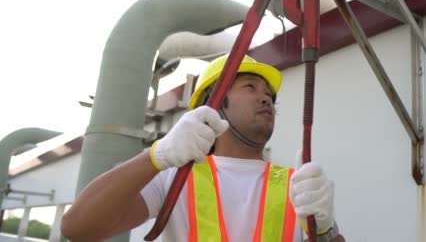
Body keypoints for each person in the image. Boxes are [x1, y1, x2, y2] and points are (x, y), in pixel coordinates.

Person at [61, 54, 344, 241]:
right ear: (214, 103)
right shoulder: (174, 176)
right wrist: (156, 156)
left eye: (270, 95)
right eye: (250, 87)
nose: (266, 99)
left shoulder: (299, 186)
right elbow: (78, 227)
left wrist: (326, 230)